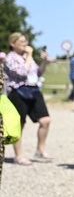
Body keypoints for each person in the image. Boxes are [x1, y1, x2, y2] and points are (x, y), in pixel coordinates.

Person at [3, 33, 52, 165]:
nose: (25, 44)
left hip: (33, 90)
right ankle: (18, 155)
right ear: (13, 43)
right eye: (22, 42)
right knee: (20, 124)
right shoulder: (10, 58)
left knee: (45, 120)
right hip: (18, 92)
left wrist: (44, 62)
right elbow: (22, 72)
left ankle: (40, 150)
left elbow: (38, 72)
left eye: (26, 41)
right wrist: (29, 56)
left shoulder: (26, 57)